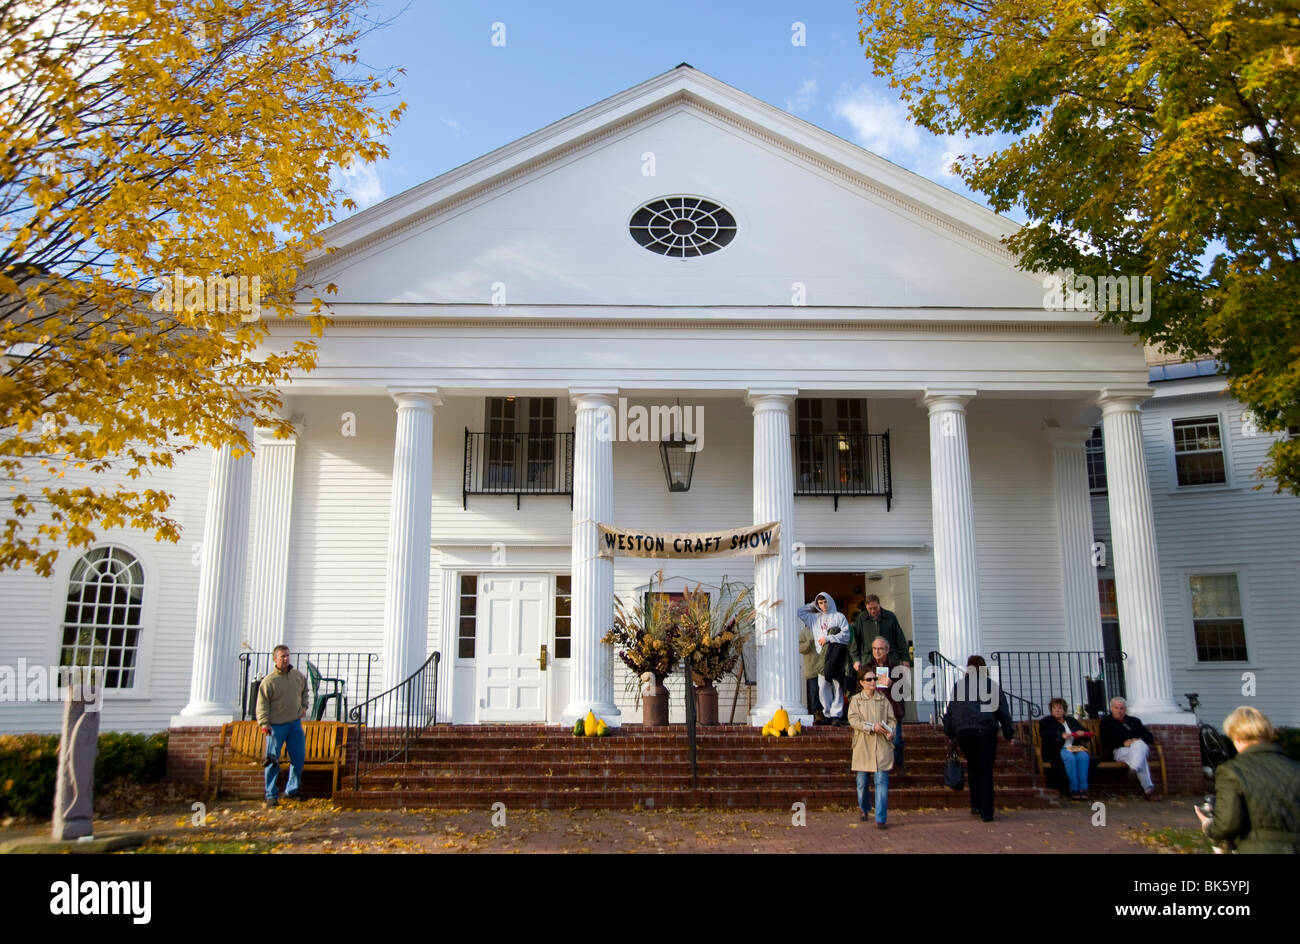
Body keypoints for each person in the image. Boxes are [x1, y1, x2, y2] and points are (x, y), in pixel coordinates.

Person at [1194, 706, 1300, 853]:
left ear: (1236, 737)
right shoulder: (1295, 768)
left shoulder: (1232, 771)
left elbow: (1227, 825)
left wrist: (1208, 826)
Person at [943, 655, 1015, 822]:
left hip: (964, 733)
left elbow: (951, 712)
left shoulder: (959, 686)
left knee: (974, 767)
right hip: (986, 730)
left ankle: (975, 804)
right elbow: (1003, 711)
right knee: (985, 771)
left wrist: (951, 732)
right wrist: (1008, 732)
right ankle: (986, 812)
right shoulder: (991, 686)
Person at [257, 644, 310, 807]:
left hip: (294, 723)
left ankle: (292, 790)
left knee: (298, 757)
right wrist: (264, 723)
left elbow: (305, 691)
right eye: (282, 656)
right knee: (272, 760)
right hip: (275, 726)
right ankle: (271, 794)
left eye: (287, 655)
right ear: (275, 659)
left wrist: (304, 706)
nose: (286, 659)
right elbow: (262, 705)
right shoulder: (269, 681)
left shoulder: (297, 676)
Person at [848, 665, 895, 829]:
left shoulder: (883, 699)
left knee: (881, 780)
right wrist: (870, 726)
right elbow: (853, 720)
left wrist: (891, 731)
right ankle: (864, 807)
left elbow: (891, 720)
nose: (873, 682)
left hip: (881, 745)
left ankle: (881, 818)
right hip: (863, 745)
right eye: (869, 679)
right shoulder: (856, 700)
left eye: (874, 679)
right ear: (862, 682)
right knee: (862, 782)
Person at [852, 635, 907, 775]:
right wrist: (869, 687)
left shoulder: (896, 668)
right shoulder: (867, 668)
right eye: (874, 648)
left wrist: (892, 684)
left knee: (897, 741)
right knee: (875, 742)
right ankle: (878, 769)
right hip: (872, 710)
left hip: (893, 710)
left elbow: (904, 691)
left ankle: (898, 767)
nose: (877, 652)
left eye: (880, 649)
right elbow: (858, 689)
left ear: (887, 650)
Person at [797, 592, 850, 725]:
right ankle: (827, 713)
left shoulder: (839, 616)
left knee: (837, 684)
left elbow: (846, 635)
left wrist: (828, 638)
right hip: (822, 656)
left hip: (837, 654)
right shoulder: (815, 618)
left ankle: (836, 714)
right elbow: (800, 612)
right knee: (823, 685)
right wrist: (813, 605)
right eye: (820, 603)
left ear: (830, 601)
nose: (823, 605)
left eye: (825, 602)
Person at [1100, 696, 1159, 800]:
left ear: (1125, 709)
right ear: (1111, 709)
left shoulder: (1134, 721)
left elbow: (1149, 736)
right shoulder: (1106, 722)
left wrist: (1136, 741)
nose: (1119, 711)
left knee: (1139, 745)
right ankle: (1149, 790)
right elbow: (1106, 741)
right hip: (1120, 751)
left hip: (1136, 750)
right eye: (1116, 708)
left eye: (1121, 708)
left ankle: (1134, 769)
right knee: (1141, 757)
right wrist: (1123, 743)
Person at [1039, 698, 1093, 799]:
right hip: (1058, 749)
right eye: (1054, 708)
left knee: (1083, 756)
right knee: (1070, 758)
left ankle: (1083, 788)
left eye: (1060, 708)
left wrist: (1082, 733)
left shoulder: (1071, 720)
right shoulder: (1046, 722)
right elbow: (1045, 735)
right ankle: (1074, 789)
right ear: (1051, 710)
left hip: (1075, 748)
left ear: (1064, 710)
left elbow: (1086, 734)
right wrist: (1060, 736)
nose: (1057, 710)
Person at [797, 623, 825, 722]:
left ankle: (827, 713)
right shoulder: (804, 632)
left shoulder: (823, 628)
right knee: (814, 691)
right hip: (811, 667)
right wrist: (809, 642)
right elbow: (800, 648)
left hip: (824, 666)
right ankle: (817, 713)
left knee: (825, 690)